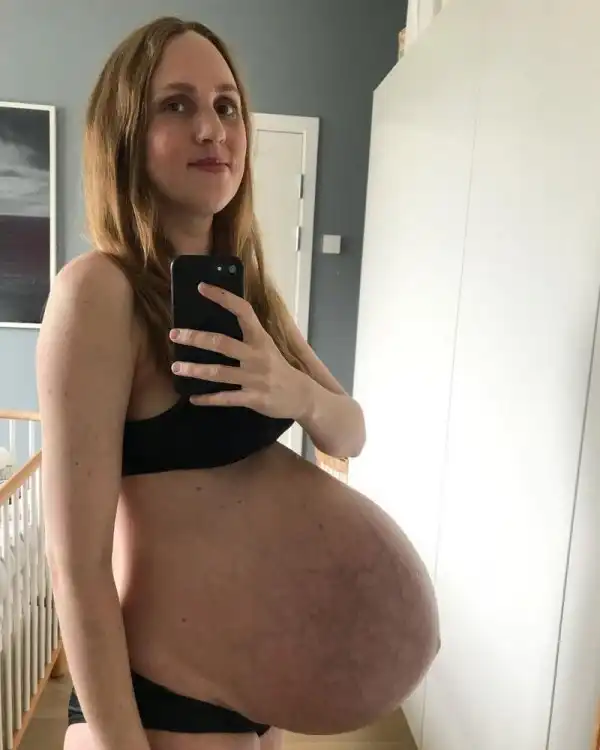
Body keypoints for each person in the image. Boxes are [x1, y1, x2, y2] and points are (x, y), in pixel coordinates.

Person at [37, 16, 439, 750]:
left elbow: (349, 432)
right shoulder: (99, 293)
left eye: (227, 106)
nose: (212, 129)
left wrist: (295, 393)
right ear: (126, 133)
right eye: (177, 104)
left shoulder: (248, 297)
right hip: (162, 700)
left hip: (261, 699)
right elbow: (78, 566)